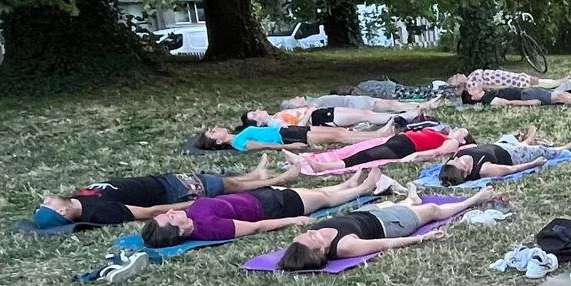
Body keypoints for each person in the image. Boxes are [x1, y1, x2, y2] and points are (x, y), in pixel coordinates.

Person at [32, 158, 301, 229]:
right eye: (48, 204)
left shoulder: (79, 198)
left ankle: (255, 175)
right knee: (226, 187)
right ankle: (281, 179)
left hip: (160, 181)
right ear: (63, 211)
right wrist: (193, 204)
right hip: (171, 190)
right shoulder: (100, 211)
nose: (47, 199)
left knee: (221, 181)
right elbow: (148, 212)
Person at [277, 187, 501, 270]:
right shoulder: (345, 246)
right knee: (433, 209)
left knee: (401, 203)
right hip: (391, 223)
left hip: (369, 213)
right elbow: (385, 244)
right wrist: (423, 238)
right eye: (311, 238)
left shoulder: (306, 242)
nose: (309, 232)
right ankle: (474, 200)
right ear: (320, 251)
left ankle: (411, 200)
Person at [140, 171, 380, 248]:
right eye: (169, 218)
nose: (171, 213)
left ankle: (346, 185)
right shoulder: (211, 229)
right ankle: (363, 189)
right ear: (179, 231)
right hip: (273, 206)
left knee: (315, 193)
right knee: (323, 199)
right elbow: (256, 227)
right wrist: (293, 220)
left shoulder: (192, 215)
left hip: (258, 196)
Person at [435, 132, 571, 187]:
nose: (458, 160)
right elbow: (512, 170)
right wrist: (534, 164)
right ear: (466, 173)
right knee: (540, 150)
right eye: (461, 165)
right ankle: (567, 147)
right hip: (513, 155)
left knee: (509, 138)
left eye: (453, 161)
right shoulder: (484, 169)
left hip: (497, 146)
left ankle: (526, 141)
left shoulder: (453, 160)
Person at [291, 128, 471, 174]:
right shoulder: (443, 134)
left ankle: (324, 167)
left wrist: (416, 155)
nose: (457, 129)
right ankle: (311, 161)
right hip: (400, 141)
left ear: (463, 140)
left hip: (404, 147)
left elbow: (436, 152)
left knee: (364, 156)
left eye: (462, 131)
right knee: (359, 151)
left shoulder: (453, 142)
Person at [194, 122, 378, 152]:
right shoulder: (238, 142)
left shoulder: (237, 134)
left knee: (338, 132)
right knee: (337, 137)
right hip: (286, 138)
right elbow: (263, 146)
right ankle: (377, 139)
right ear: (218, 141)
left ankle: (377, 135)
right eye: (213, 132)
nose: (215, 128)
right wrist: (289, 147)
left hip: (286, 130)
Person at [241, 104, 425, 130]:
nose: (258, 110)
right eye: (254, 114)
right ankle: (403, 117)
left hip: (321, 114)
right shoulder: (274, 123)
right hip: (320, 118)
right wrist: (309, 111)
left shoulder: (275, 116)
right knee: (365, 115)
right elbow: (296, 130)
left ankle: (401, 117)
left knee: (365, 115)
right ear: (258, 122)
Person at [458, 80, 571, 109]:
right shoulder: (488, 99)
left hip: (527, 92)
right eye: (471, 88)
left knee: (562, 96)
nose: (474, 86)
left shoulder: (487, 93)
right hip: (527, 96)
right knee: (563, 97)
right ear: (472, 97)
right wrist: (530, 103)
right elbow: (509, 103)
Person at [281, 93, 439, 114]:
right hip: (356, 105)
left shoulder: (313, 101)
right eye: (295, 99)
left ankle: (422, 105)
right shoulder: (312, 106)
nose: (298, 97)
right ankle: (423, 106)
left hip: (356, 101)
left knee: (391, 103)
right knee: (390, 106)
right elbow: (312, 109)